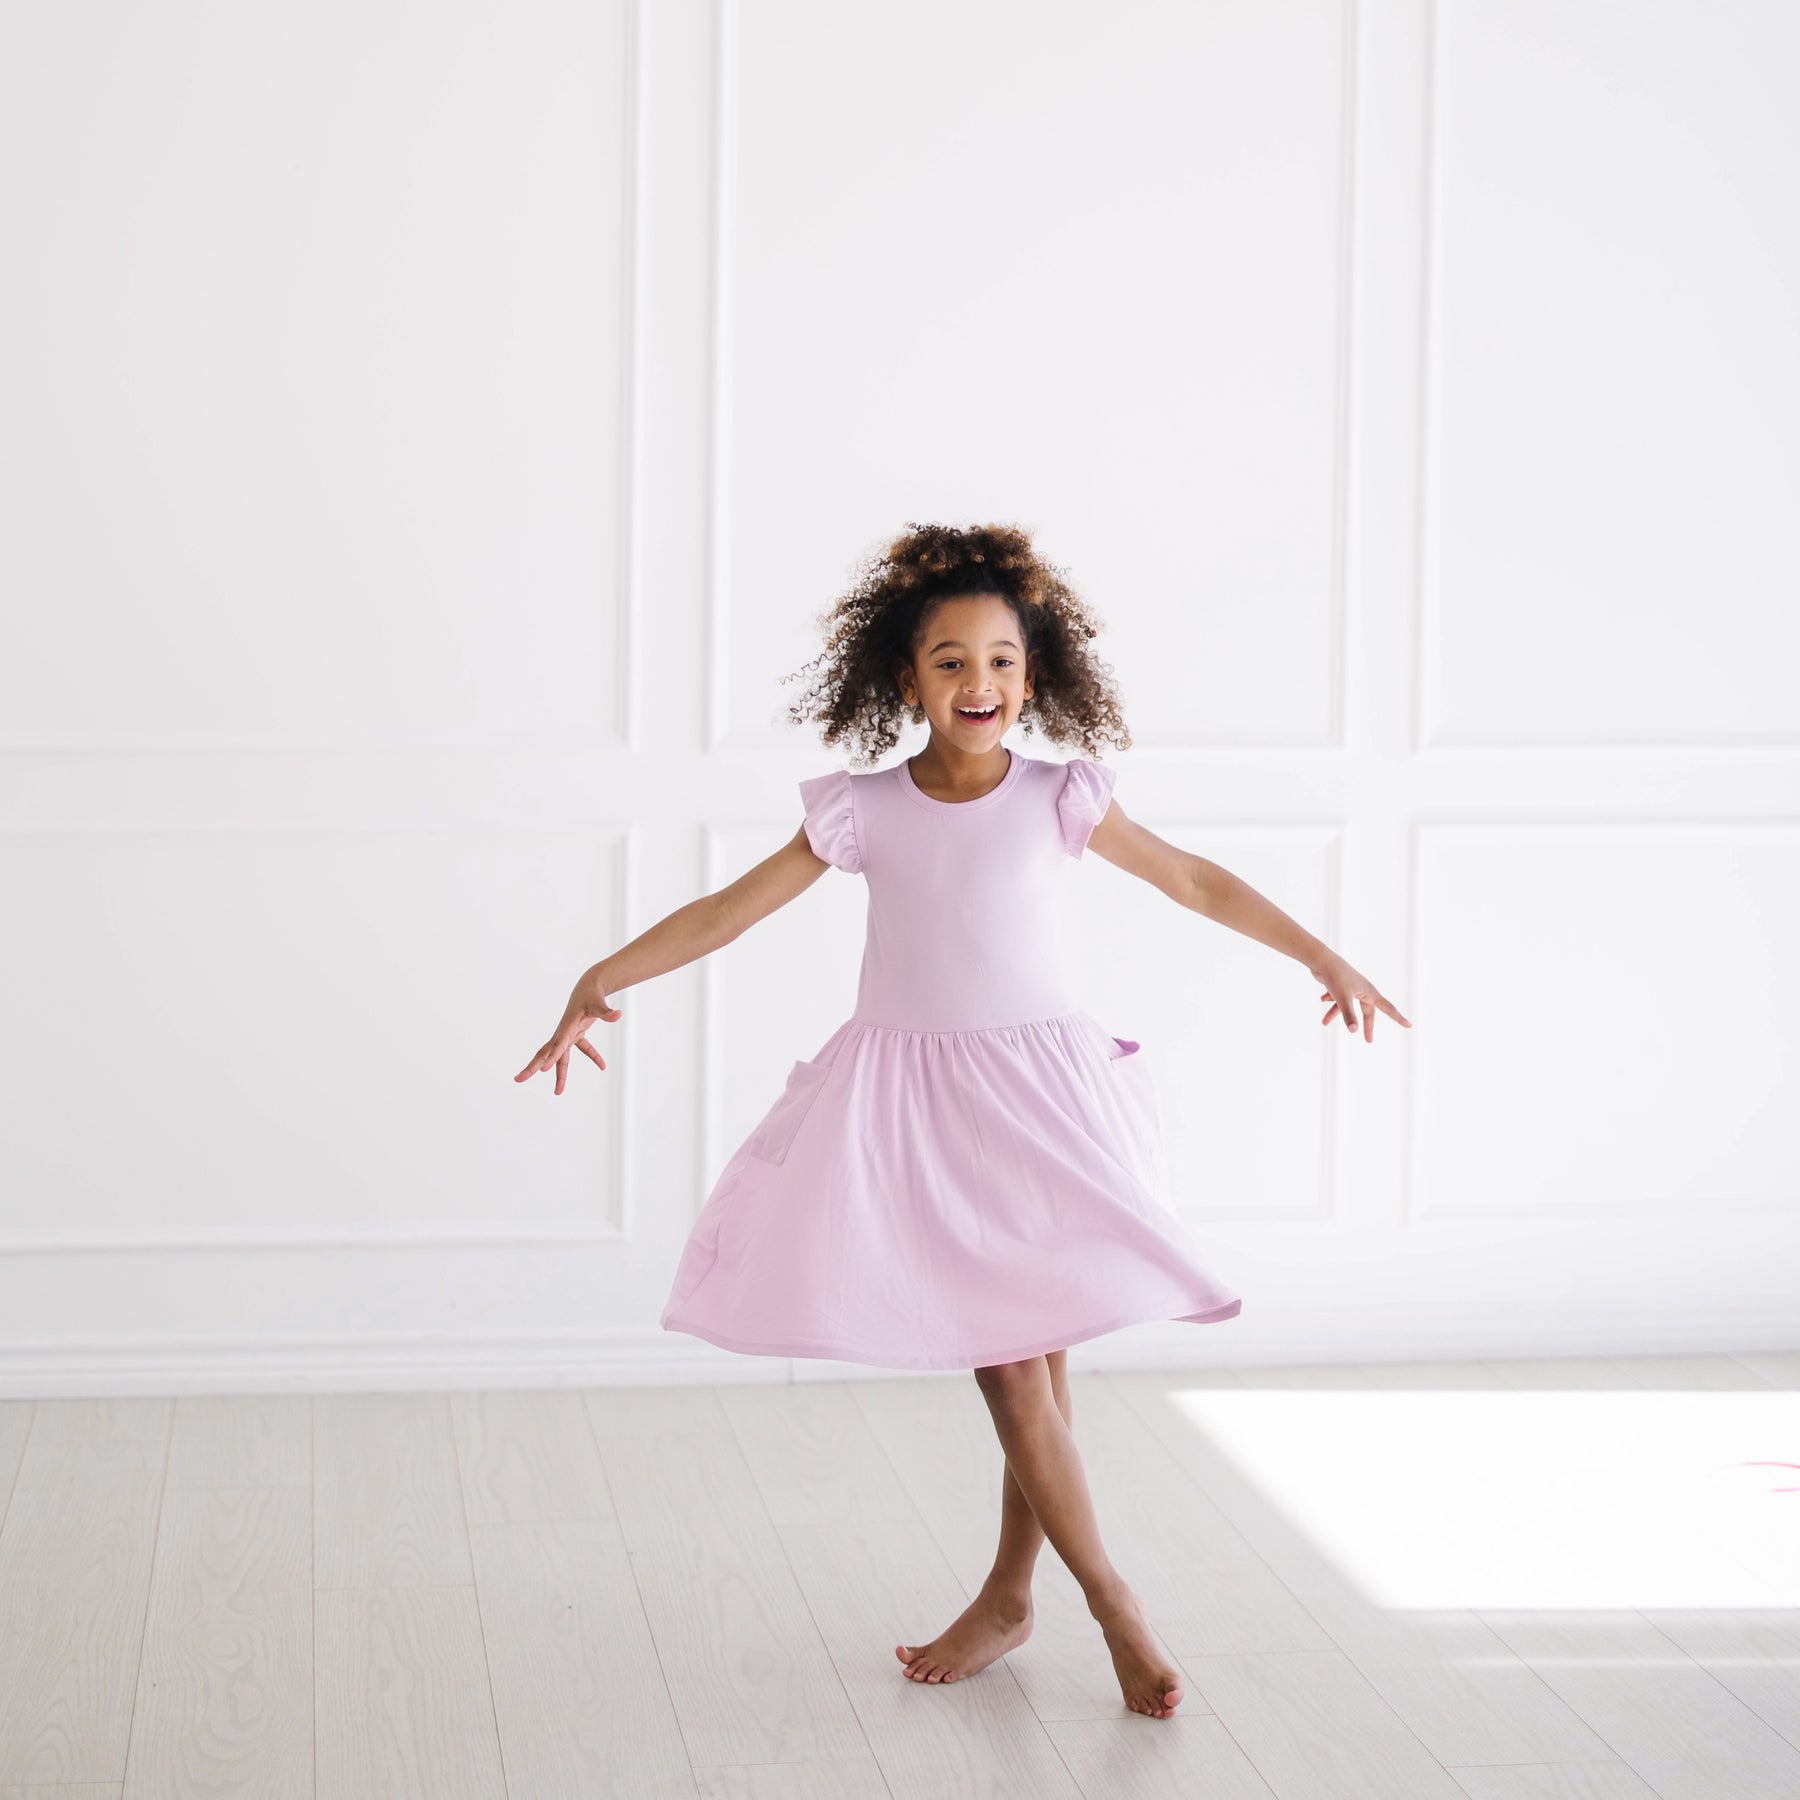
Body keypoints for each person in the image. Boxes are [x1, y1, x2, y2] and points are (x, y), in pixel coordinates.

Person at [517, 520, 1411, 1720]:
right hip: (922, 1120)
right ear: (905, 680)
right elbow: (732, 910)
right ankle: (1115, 1609)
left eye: (998, 660)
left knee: (1036, 1368)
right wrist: (603, 976)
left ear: (1032, 677)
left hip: (1045, 1105)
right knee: (1018, 1381)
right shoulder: (862, 810)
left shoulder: (1061, 798)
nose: (975, 682)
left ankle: (1009, 1593)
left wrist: (1320, 954)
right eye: (948, 662)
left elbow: (1194, 879)